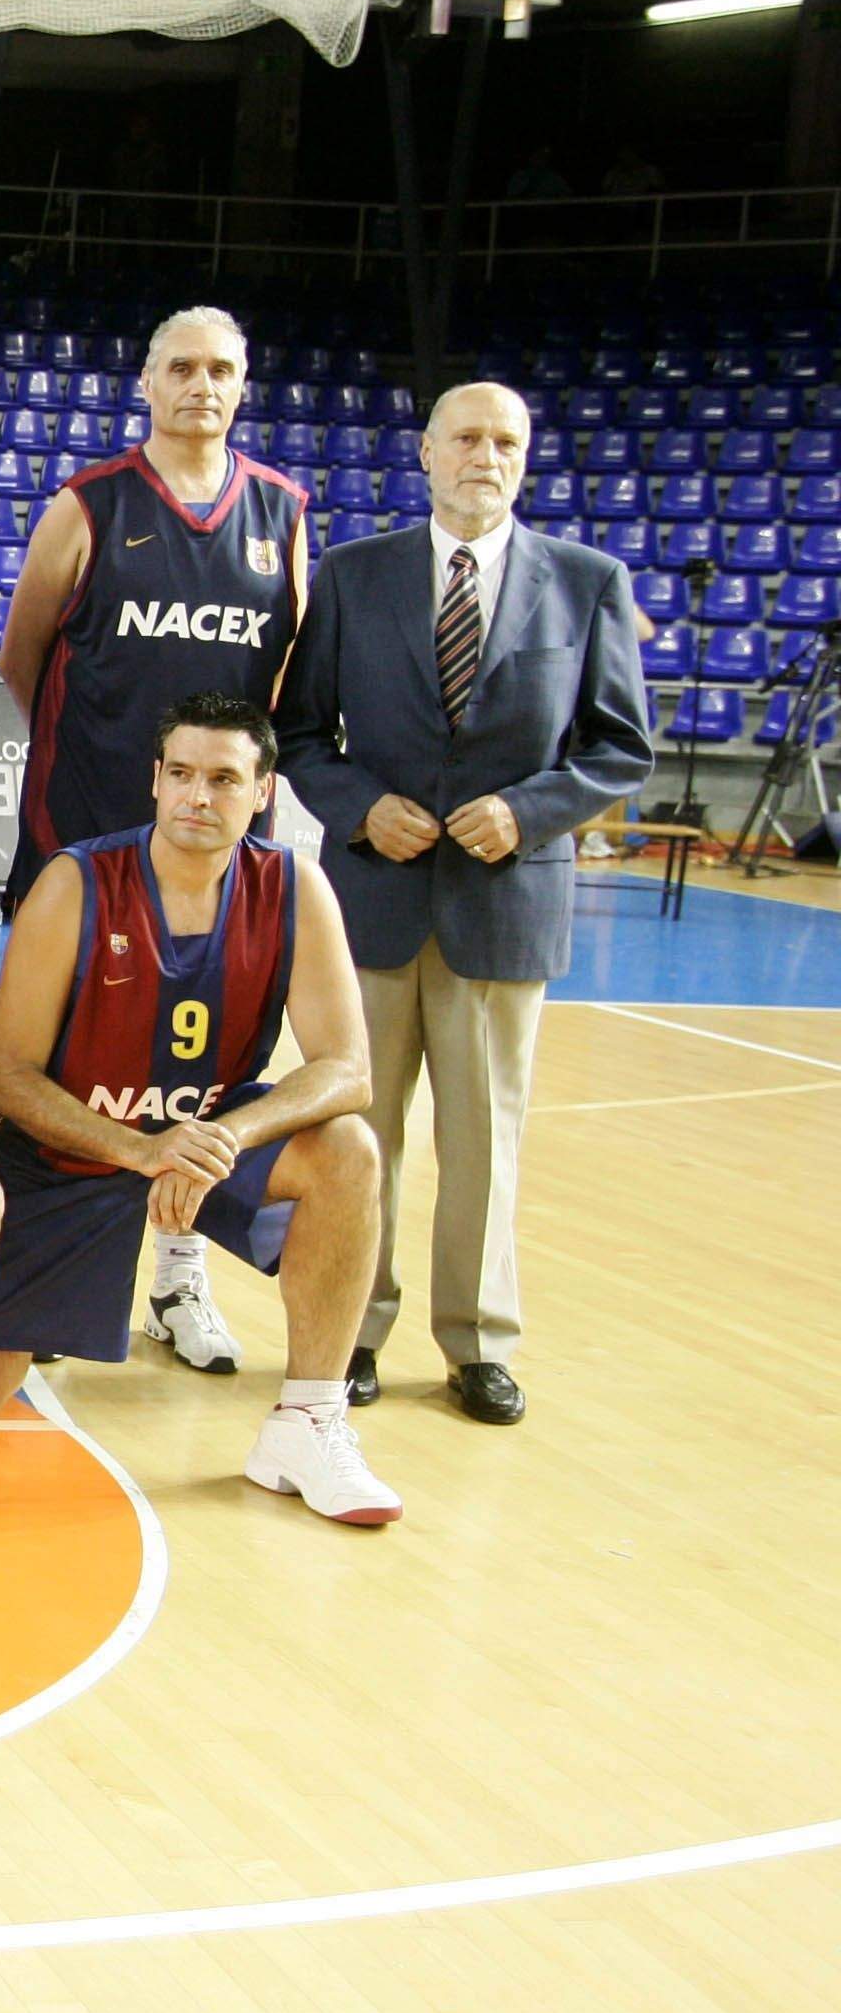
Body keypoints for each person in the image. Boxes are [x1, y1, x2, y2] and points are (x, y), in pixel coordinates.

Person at [274, 382, 652, 1425]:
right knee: (363, 1133)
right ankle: (350, 1327)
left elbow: (621, 745)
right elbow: (302, 734)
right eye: (468, 438)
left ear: (525, 458)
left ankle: (478, 1339)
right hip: (379, 897)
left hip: (503, 900)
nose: (487, 455)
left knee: (486, 1138)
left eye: (507, 441)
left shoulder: (588, 583)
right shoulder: (354, 576)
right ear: (428, 453)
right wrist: (362, 807)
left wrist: (529, 812)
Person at [0, 696, 402, 1525]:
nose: (198, 797)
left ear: (263, 790)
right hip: (70, 1148)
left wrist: (218, 1140)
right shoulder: (77, 881)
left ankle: (310, 1422)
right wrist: (142, 1152)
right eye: (182, 775)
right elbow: (8, 1079)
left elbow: (348, 1070)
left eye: (224, 779)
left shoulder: (293, 887)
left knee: (347, 1148)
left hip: (201, 1137)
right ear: (156, 782)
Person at [0, 305, 311, 1376]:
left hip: (218, 865)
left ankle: (180, 1274)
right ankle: (43, 1274)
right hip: (87, 840)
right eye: (181, 366)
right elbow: (21, 657)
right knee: (65, 1068)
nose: (201, 386)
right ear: (147, 381)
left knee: (205, 1068)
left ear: (243, 381)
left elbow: (285, 679)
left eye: (222, 368)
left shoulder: (282, 511)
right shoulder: (88, 506)